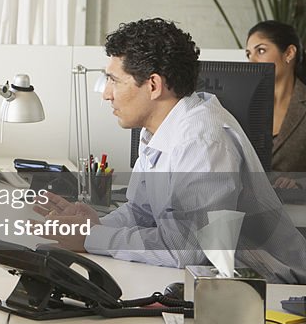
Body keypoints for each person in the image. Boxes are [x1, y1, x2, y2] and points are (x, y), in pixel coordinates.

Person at [35, 18, 306, 283]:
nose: (107, 94)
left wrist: (90, 238)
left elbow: (186, 248)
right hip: (216, 280)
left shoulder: (203, 141)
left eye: (114, 81)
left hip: (271, 285)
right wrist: (96, 225)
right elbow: (141, 212)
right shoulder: (157, 131)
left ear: (153, 85)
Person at [245, 20, 306, 181]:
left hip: (296, 204)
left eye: (261, 50)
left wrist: (299, 183)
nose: (252, 61)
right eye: (248, 54)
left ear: (289, 53)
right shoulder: (245, 103)